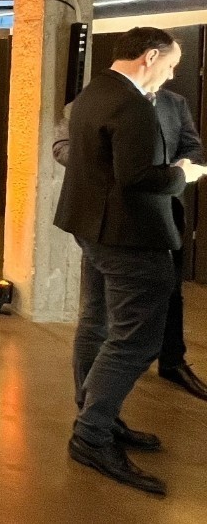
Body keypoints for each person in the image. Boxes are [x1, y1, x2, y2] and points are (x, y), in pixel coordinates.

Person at [54, 27, 207, 495]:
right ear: (150, 56)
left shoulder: (93, 94)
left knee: (96, 324)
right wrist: (182, 174)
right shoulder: (133, 104)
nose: (172, 74)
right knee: (135, 342)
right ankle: (92, 434)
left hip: (94, 228)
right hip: (130, 236)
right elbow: (139, 177)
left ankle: (97, 415)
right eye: (171, 64)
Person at [54, 87, 207, 402]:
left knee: (170, 291)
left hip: (163, 213)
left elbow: (192, 148)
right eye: (167, 64)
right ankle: (90, 402)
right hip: (109, 218)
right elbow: (61, 147)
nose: (169, 73)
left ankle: (172, 360)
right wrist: (118, 167)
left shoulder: (174, 103)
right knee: (98, 310)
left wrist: (174, 170)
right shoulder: (94, 101)